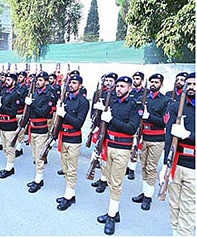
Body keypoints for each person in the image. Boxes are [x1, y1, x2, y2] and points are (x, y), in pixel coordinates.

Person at [95, 76, 141, 235]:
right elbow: (104, 125)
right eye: (117, 86)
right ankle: (115, 211)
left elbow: (131, 128)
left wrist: (111, 119)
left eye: (122, 86)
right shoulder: (112, 102)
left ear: (129, 88)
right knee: (108, 179)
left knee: (116, 183)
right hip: (108, 145)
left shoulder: (135, 106)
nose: (118, 89)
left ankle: (111, 216)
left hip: (122, 148)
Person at [129, 73, 170, 210]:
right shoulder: (142, 98)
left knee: (151, 168)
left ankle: (148, 197)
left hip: (156, 139)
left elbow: (164, 122)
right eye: (151, 81)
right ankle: (145, 191)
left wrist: (149, 116)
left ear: (161, 84)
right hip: (143, 136)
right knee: (144, 166)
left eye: (156, 82)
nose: (153, 84)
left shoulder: (165, 101)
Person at [161, 72, 195, 236]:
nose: (191, 87)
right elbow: (169, 137)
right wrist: (166, 165)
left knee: (189, 207)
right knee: (174, 204)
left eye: (195, 84)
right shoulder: (175, 106)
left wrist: (189, 135)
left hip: (194, 166)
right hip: (176, 162)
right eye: (189, 84)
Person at [54, 75, 89, 211]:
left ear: (80, 85)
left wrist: (64, 114)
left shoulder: (83, 102)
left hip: (74, 139)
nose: (71, 85)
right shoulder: (66, 99)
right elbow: (59, 121)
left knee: (72, 169)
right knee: (65, 168)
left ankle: (68, 197)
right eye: (70, 82)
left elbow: (78, 123)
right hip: (63, 137)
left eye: (74, 83)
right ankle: (70, 193)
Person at [24, 71, 55, 193]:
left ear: (46, 82)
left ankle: (39, 179)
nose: (38, 82)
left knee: (39, 156)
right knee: (34, 155)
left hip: (41, 129)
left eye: (41, 80)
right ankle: (37, 177)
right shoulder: (35, 93)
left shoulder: (49, 96)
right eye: (37, 80)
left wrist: (32, 104)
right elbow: (30, 112)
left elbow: (43, 112)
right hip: (32, 128)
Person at [0, 73, 21, 179]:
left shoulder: (15, 94)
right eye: (6, 79)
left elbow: (13, 111)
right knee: (5, 147)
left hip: (10, 123)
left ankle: (9, 168)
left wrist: (1, 107)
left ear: (14, 82)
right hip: (2, 123)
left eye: (9, 80)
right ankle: (9, 164)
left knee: (10, 147)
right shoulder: (5, 92)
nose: (6, 81)